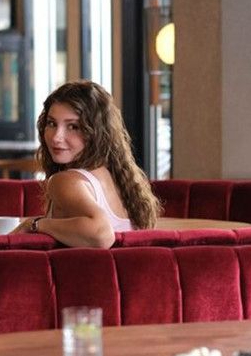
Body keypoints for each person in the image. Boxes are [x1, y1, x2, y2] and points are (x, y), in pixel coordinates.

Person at [14, 80, 160, 248]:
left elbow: (102, 234)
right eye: (52, 123)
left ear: (96, 132)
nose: (56, 137)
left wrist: (35, 224)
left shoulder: (66, 181)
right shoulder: (118, 177)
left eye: (73, 126)